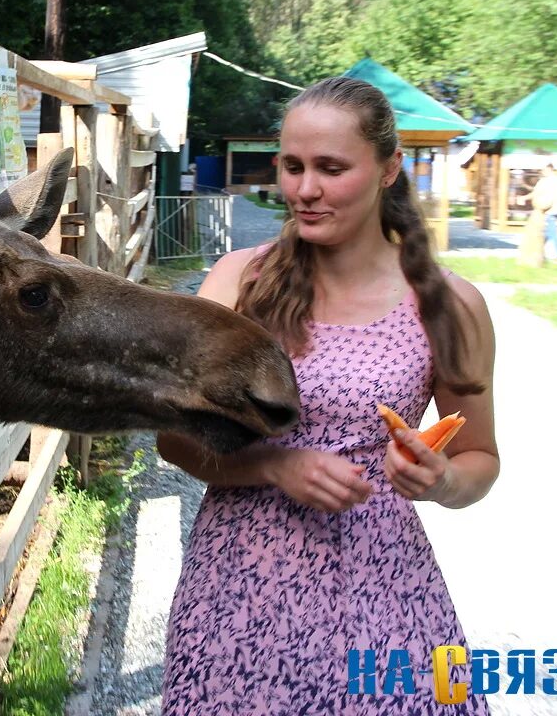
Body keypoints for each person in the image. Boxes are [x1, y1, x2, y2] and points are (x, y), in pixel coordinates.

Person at [157, 76, 499, 714]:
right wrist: (273, 464)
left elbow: (481, 458)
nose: (304, 190)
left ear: (388, 169)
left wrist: (441, 478)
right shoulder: (239, 283)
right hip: (240, 590)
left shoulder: (450, 306)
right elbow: (174, 438)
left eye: (331, 168)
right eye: (292, 166)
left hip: (384, 583)